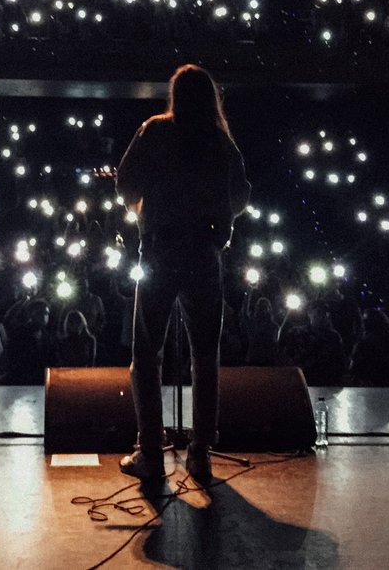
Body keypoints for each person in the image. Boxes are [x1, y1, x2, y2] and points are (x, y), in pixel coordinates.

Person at [115, 64, 251, 483]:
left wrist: (149, 205)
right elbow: (241, 197)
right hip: (205, 253)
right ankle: (200, 454)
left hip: (159, 250)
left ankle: (151, 453)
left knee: (145, 355)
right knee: (205, 357)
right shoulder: (219, 140)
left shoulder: (154, 130)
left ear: (174, 93)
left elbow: (125, 186)